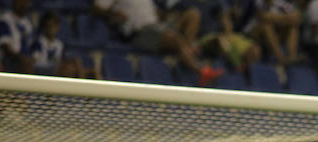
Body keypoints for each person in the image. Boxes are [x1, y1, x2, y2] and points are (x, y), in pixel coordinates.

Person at [93, 0, 223, 86]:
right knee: (177, 41)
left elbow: (154, 14)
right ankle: (201, 70)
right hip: (140, 32)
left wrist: (164, 15)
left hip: (158, 26)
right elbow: (96, 8)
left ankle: (189, 47)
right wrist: (114, 13)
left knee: (192, 14)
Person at [0, 0, 34, 74]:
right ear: (14, 2)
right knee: (25, 63)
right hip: (6, 61)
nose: (23, 5)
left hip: (23, 61)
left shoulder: (27, 23)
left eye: (26, 2)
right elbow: (5, 47)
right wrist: (22, 59)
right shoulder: (4, 21)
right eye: (20, 2)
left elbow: (30, 46)